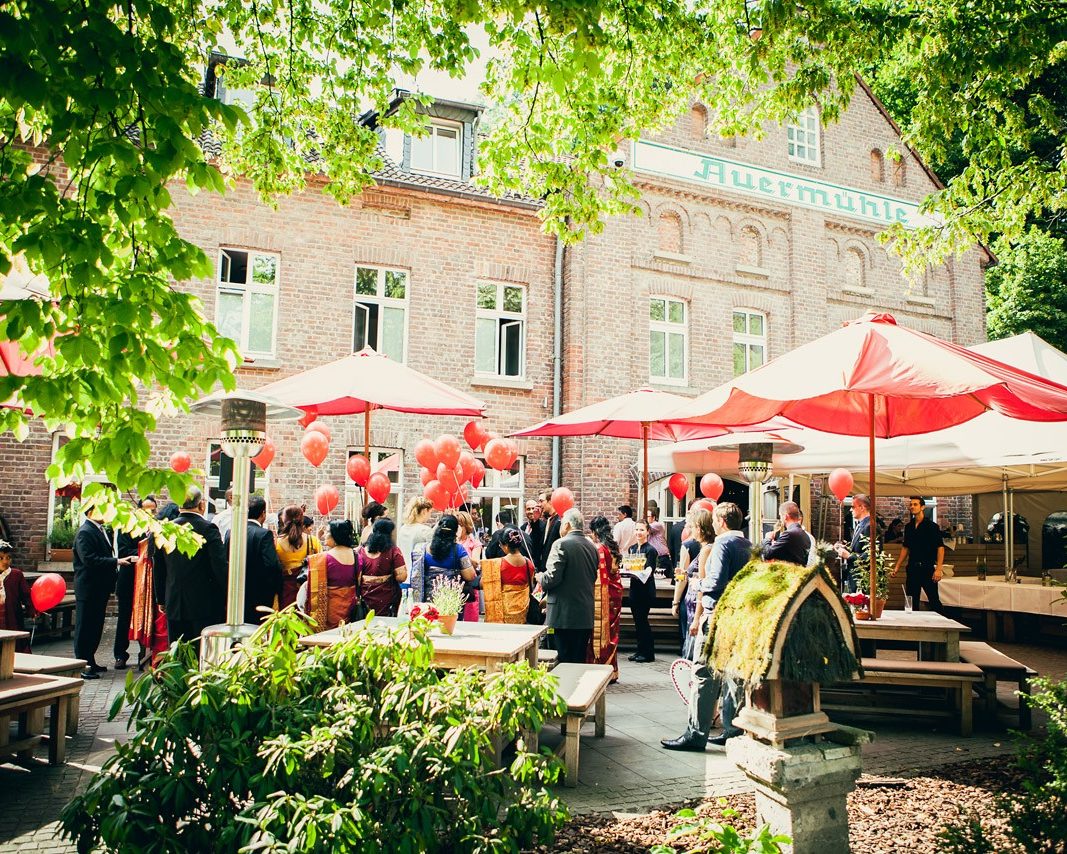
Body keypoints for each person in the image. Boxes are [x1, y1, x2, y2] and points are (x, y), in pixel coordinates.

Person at [662, 501, 752, 752]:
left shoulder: (723, 543)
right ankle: (732, 729)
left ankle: (696, 733)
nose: (712, 524)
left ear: (722, 521)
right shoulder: (749, 544)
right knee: (734, 676)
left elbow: (715, 581)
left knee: (703, 675)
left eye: (714, 520)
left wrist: (695, 584)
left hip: (717, 617)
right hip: (739, 616)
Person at [153, 486, 227, 648]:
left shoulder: (165, 529)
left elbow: (158, 567)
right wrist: (226, 594)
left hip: (173, 599)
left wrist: (161, 598)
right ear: (201, 505)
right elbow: (219, 566)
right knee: (200, 649)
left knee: (176, 649)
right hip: (203, 602)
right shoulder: (208, 529)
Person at [74, 493, 136, 678]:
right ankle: (82, 666)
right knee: (85, 627)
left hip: (99, 588)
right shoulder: (85, 532)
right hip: (88, 588)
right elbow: (89, 559)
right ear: (91, 512)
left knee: (95, 627)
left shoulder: (101, 530)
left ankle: (91, 661)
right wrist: (117, 561)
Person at [538, 508, 598, 664]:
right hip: (584, 614)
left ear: (567, 525)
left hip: (562, 616)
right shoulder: (592, 547)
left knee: (561, 660)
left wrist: (539, 577)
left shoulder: (561, 544)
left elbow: (551, 579)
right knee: (578, 660)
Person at [130, 501, 178, 670]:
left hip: (151, 591)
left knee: (158, 631)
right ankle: (161, 666)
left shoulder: (152, 537)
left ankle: (155, 665)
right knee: (163, 632)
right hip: (164, 591)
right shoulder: (167, 538)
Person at [114, 494, 157, 669]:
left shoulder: (158, 527)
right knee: (124, 618)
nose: (150, 513)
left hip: (148, 582)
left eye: (153, 510)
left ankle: (143, 655)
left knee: (147, 618)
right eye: (147, 510)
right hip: (130, 580)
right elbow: (124, 550)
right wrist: (145, 551)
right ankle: (120, 655)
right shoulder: (127, 526)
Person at [225, 495, 282, 625]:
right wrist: (276, 588)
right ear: (263, 513)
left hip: (235, 591)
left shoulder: (230, 532)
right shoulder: (264, 534)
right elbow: (272, 565)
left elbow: (225, 560)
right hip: (259, 593)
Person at [673, 508, 715, 657]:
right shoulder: (704, 548)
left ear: (700, 528)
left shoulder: (706, 550)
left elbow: (702, 585)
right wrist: (685, 573)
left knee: (692, 650)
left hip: (695, 607)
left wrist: (697, 618)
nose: (690, 531)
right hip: (691, 604)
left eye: (692, 527)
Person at [892, 496, 945, 613]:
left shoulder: (932, 526)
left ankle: (944, 626)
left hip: (927, 568)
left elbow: (940, 547)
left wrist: (939, 569)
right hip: (912, 568)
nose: (912, 507)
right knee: (911, 602)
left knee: (934, 601)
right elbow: (905, 547)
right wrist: (897, 567)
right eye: (911, 504)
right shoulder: (909, 527)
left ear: (922, 507)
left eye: (915, 504)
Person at [587, 515, 624, 681]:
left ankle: (600, 665)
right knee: (613, 631)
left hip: (605, 595)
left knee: (602, 632)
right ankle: (612, 668)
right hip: (615, 593)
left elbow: (599, 577)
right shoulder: (612, 546)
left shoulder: (600, 549)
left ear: (595, 532)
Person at [305, 519, 359, 629]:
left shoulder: (323, 559)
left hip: (329, 611)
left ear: (336, 536)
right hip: (350, 609)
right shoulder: (357, 556)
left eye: (328, 532)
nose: (325, 535)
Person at [410, 514, 476, 604]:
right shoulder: (459, 550)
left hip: (427, 601)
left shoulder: (421, 549)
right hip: (451, 602)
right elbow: (470, 576)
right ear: (455, 531)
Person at [275, 505, 322, 609]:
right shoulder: (313, 541)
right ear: (302, 519)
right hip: (306, 589)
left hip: (283, 590)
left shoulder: (275, 542)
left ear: (283, 519)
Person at [626, 520, 659, 663]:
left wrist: (638, 571)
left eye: (641, 530)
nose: (638, 533)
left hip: (645, 590)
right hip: (634, 589)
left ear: (647, 532)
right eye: (637, 530)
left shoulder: (650, 550)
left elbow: (649, 571)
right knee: (637, 622)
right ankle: (639, 650)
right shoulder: (632, 549)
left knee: (643, 621)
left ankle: (648, 653)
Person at [0, 540, 34, 652]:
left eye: (8, 557)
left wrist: (31, 610)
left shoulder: (16, 575)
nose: (5, 561)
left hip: (12, 615)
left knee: (13, 642)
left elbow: (26, 595)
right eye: (1, 558)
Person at [835, 494, 873, 593]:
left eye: (853, 507)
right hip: (855, 579)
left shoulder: (870, 526)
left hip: (863, 581)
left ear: (862, 507)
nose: (851, 510)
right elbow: (859, 549)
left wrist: (849, 556)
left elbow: (871, 556)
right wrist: (845, 548)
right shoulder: (861, 525)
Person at [498, 528, 537, 624]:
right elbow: (531, 586)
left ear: (506, 546)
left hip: (503, 612)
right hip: (524, 612)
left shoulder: (498, 564)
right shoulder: (529, 564)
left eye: (501, 545)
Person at [761, 501, 809, 566]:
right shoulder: (804, 534)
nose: (780, 519)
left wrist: (767, 538)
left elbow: (767, 554)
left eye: (780, 516)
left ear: (786, 516)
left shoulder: (789, 534)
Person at [397, 496, 434, 565]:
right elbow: (433, 554)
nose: (430, 515)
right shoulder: (425, 530)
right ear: (424, 511)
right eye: (430, 512)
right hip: (419, 572)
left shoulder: (403, 528)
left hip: (405, 570)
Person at [538, 490, 562, 571]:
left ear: (551, 501)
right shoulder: (548, 520)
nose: (539, 504)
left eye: (541, 501)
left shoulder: (559, 521)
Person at [646, 506, 672, 575]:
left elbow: (646, 527)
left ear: (653, 517)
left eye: (647, 516)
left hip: (662, 557)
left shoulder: (657, 525)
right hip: (655, 556)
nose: (645, 518)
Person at [521, 499, 545, 570]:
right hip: (524, 566)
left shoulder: (543, 526)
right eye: (528, 509)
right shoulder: (523, 527)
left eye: (533, 509)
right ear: (525, 511)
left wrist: (535, 520)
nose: (531, 511)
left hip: (536, 567)